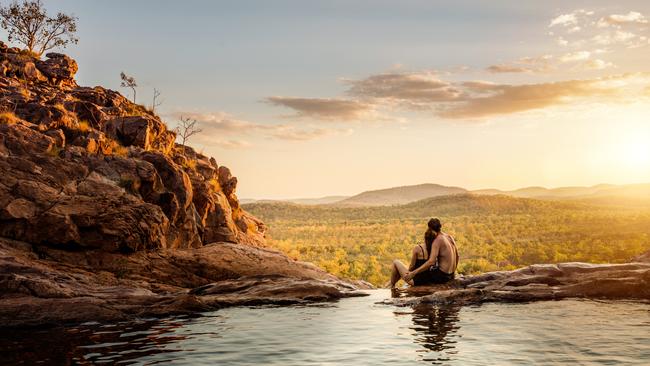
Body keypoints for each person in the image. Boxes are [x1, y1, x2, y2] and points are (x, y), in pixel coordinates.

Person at [390, 218, 458, 288]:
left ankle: (392, 286)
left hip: (442, 276)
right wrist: (453, 272)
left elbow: (431, 262)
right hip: (451, 275)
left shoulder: (437, 240)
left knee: (399, 264)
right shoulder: (449, 237)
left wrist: (413, 273)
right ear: (440, 226)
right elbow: (457, 256)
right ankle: (392, 284)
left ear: (430, 228)